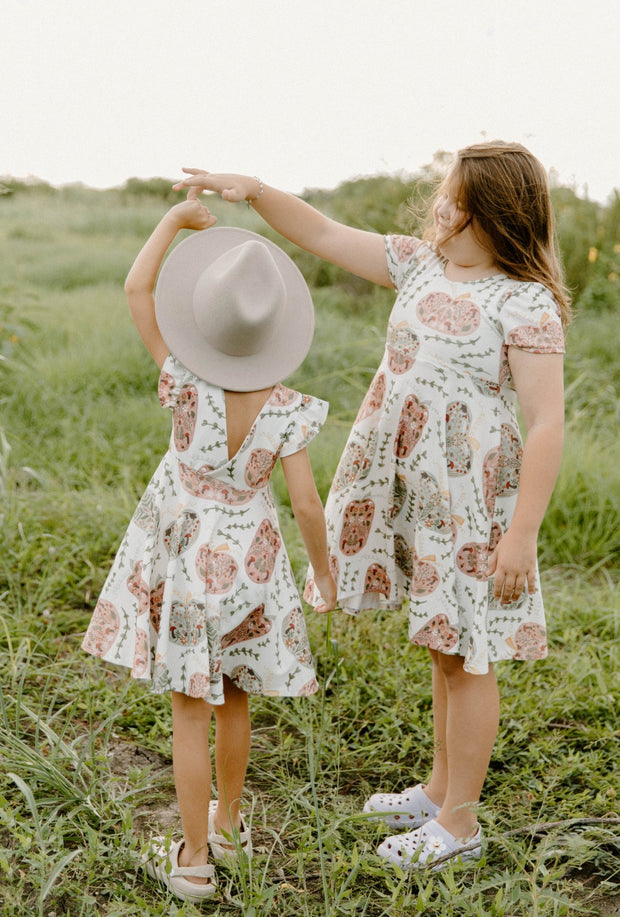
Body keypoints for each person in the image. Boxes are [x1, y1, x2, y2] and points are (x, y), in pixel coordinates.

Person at [173, 142, 569, 870]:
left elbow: (546, 422)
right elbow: (323, 234)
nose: (442, 209)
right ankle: (439, 786)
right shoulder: (420, 264)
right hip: (417, 493)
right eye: (445, 196)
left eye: (457, 201)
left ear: (500, 215)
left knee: (466, 655)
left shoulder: (522, 300)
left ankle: (460, 822)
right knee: (441, 645)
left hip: (471, 506)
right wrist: (255, 190)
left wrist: (522, 535)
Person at [81, 189, 337, 902]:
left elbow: (137, 285)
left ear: (207, 321)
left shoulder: (182, 379)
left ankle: (193, 857)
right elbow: (309, 505)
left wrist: (173, 220)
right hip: (250, 559)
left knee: (187, 711)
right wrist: (323, 576)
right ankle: (227, 824)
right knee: (234, 697)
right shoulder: (286, 407)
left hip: (186, 554)